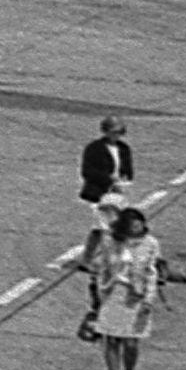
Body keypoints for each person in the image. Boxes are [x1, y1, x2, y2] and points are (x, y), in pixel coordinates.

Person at [90, 206, 162, 370]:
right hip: (113, 293)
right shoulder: (110, 243)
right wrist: (100, 294)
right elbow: (100, 268)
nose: (138, 229)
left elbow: (151, 273)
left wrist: (149, 299)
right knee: (111, 339)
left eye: (140, 225)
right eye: (133, 226)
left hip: (135, 295)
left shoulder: (150, 244)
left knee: (131, 342)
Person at [75, 116, 133, 282]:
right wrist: (109, 181)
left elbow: (128, 170)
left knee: (100, 228)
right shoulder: (94, 148)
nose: (117, 136)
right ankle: (108, 262)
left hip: (117, 194)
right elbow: (87, 171)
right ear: (105, 131)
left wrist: (124, 181)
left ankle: (87, 258)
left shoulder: (124, 148)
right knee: (105, 228)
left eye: (119, 132)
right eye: (113, 132)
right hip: (99, 193)